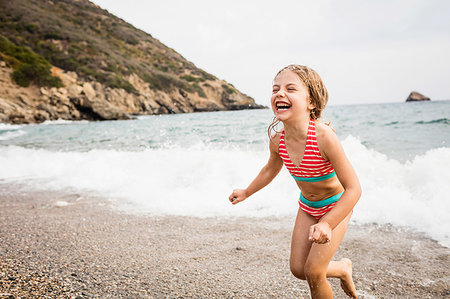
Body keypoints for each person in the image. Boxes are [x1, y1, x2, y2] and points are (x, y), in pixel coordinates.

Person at [228, 64, 361, 298]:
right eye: (275, 89)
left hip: (336, 206)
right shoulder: (278, 141)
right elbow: (270, 169)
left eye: (291, 88)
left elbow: (354, 189)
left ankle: (334, 268)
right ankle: (342, 268)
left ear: (311, 102)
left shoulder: (323, 138)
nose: (280, 93)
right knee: (299, 269)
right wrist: (247, 191)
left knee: (314, 272)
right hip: (308, 207)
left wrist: (328, 223)